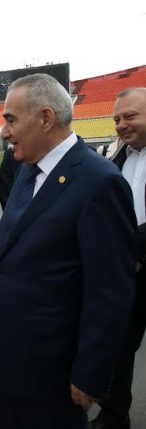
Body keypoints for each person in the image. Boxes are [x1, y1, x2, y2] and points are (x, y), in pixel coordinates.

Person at [0, 74, 137, 429]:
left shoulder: (100, 182)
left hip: (55, 367)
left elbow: (110, 291)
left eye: (11, 119)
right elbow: (10, 236)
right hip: (12, 357)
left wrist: (90, 373)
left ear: (45, 118)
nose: (4, 131)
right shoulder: (28, 169)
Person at [89, 87, 146, 429]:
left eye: (131, 116)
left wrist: (132, 249)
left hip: (133, 260)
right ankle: (113, 416)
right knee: (119, 350)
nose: (122, 125)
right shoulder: (117, 159)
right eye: (117, 119)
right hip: (126, 276)